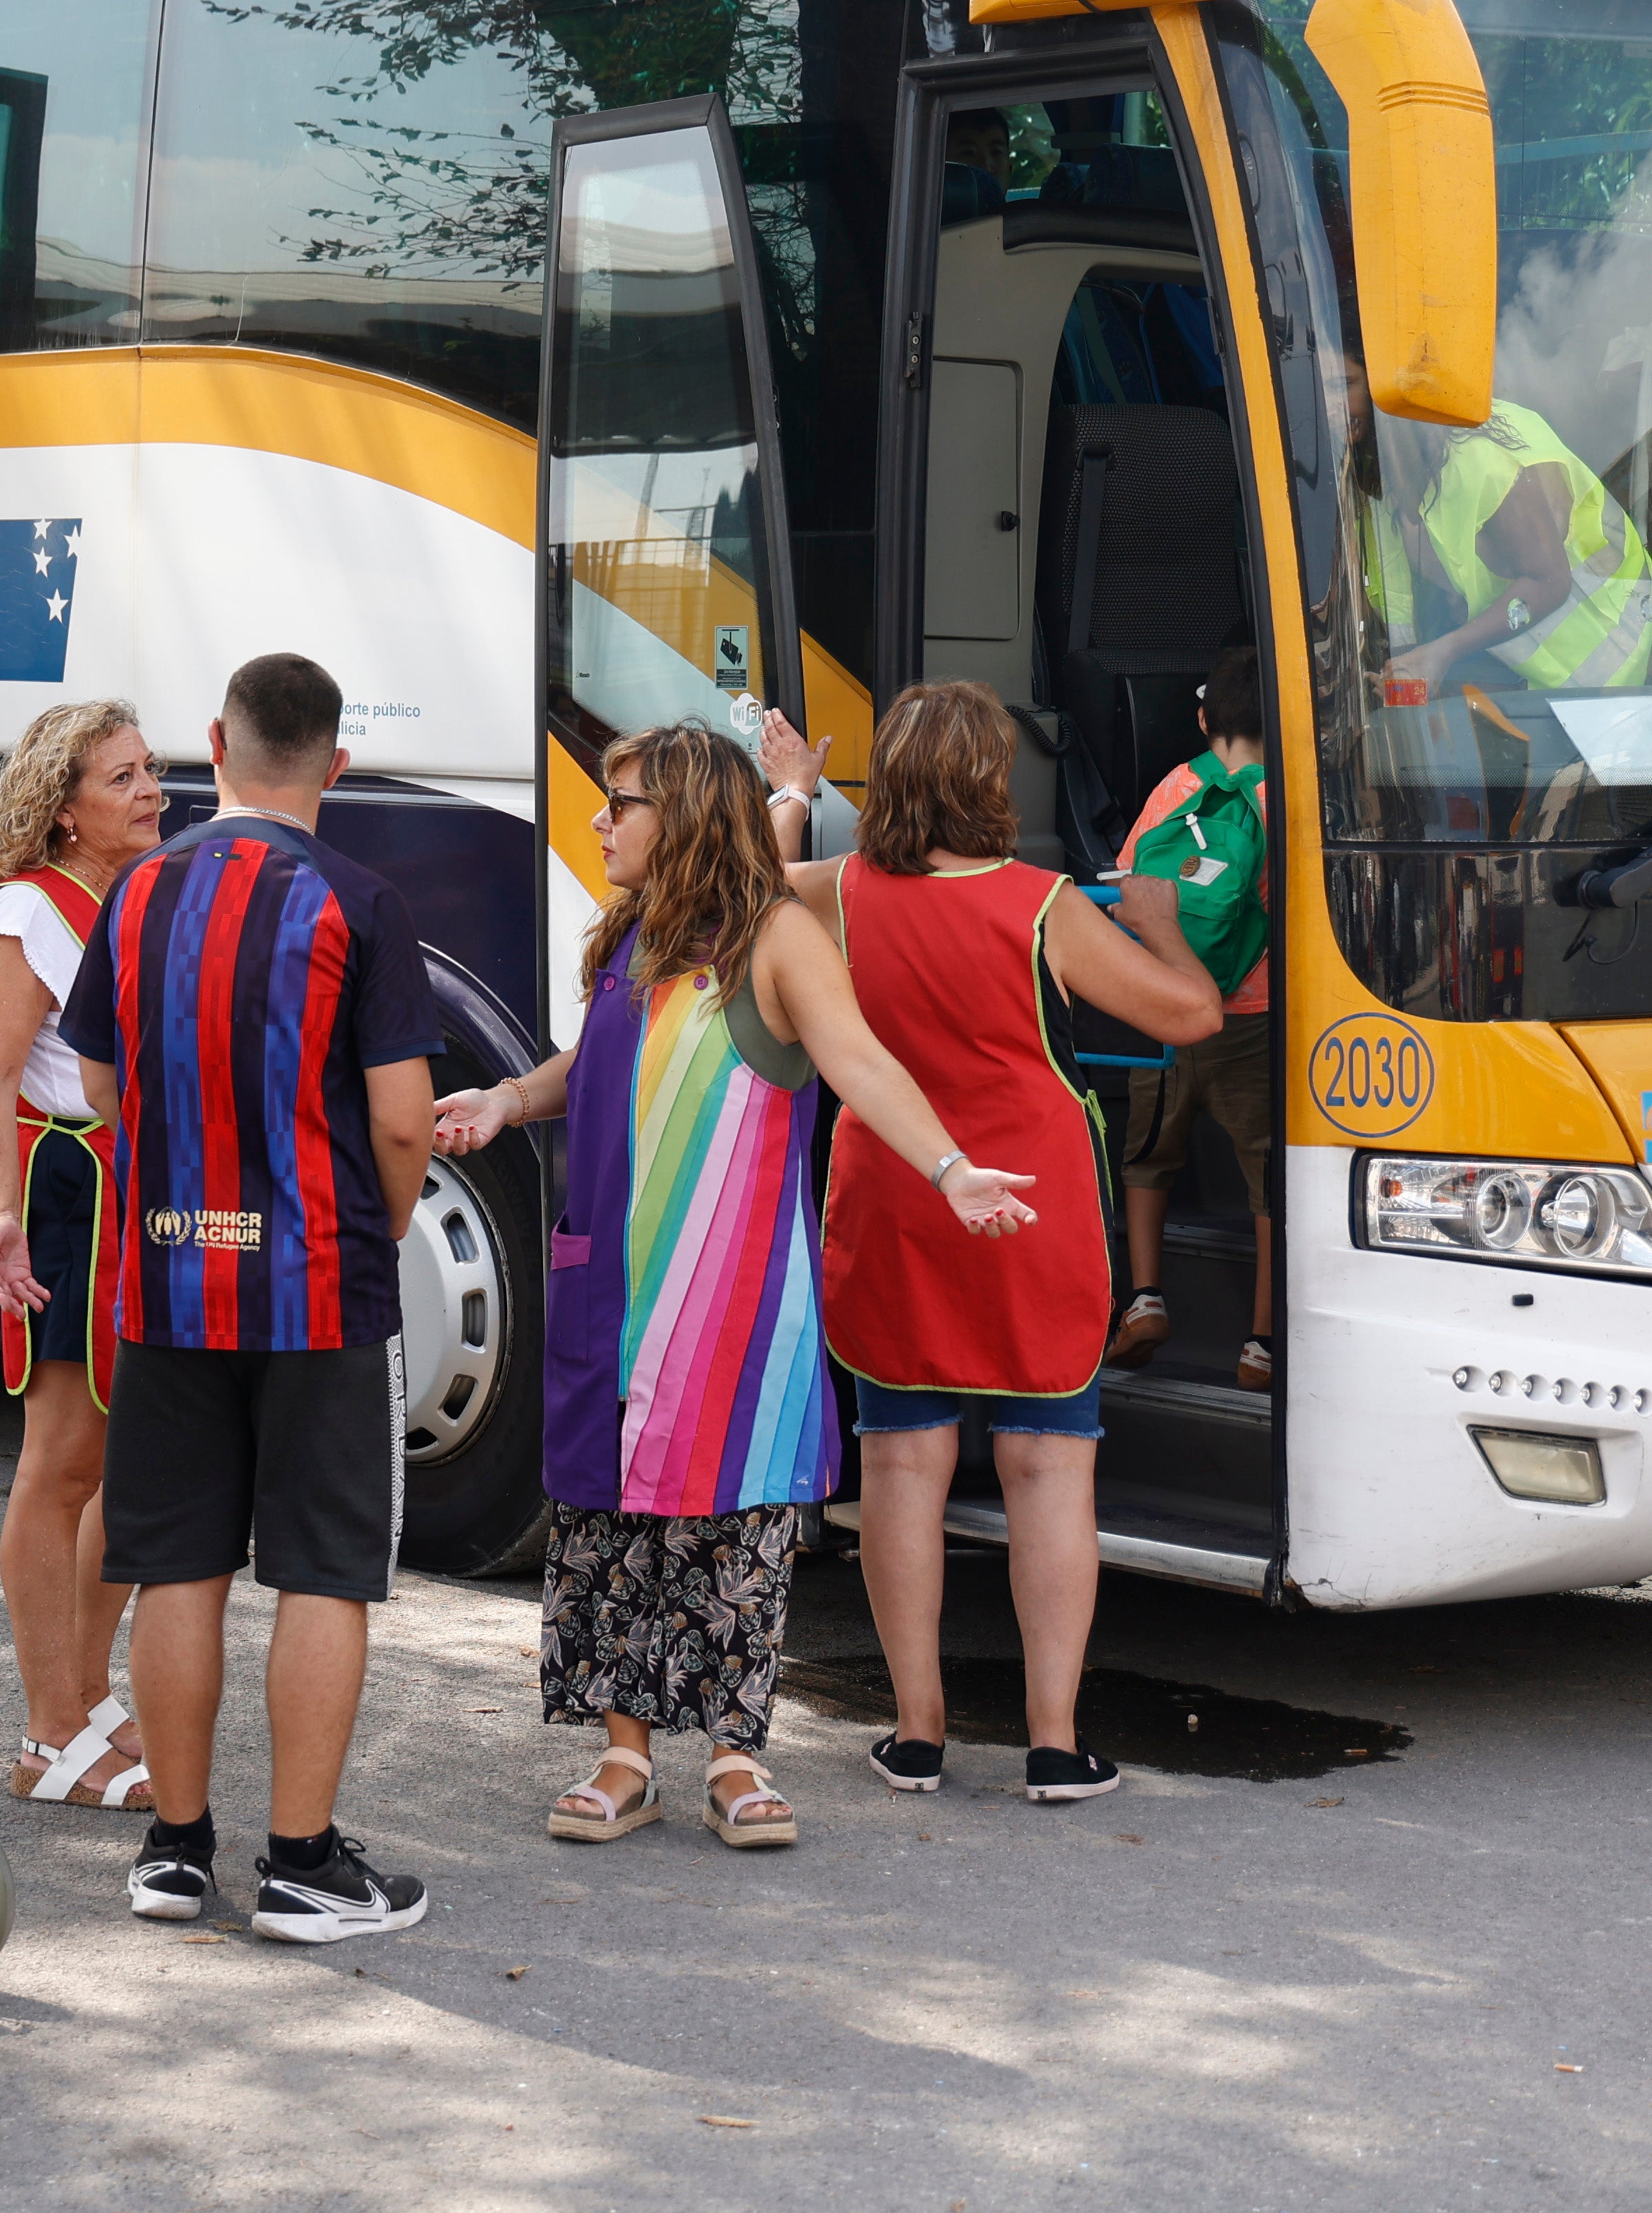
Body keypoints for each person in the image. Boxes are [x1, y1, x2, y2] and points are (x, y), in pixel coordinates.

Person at [432, 722, 1030, 1851]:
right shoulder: (628, 932)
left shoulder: (775, 938)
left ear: (691, 811)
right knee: (606, 1527)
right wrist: (512, 1097)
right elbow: (596, 1060)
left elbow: (856, 1059)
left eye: (622, 802)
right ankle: (624, 1756)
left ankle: (733, 1755)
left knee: (733, 1530)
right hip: (613, 1295)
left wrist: (949, 1168)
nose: (602, 821)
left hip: (736, 1308)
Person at [759, 681, 1219, 1804]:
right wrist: (1157, 923)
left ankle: (916, 1733)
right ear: (988, 779)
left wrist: (790, 794)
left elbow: (746, 893)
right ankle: (1053, 1741)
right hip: (1030, 1206)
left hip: (893, 1202)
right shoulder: (1045, 905)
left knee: (901, 1465)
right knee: (1048, 1467)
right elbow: (1187, 1016)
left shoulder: (842, 893)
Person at [58, 653, 438, 1943]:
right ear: (336, 763)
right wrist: (379, 1228)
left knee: (178, 1564)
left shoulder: (137, 893)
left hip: (165, 1279)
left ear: (213, 744)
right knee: (322, 1571)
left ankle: (174, 1849)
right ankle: (299, 1864)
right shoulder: (362, 901)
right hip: (317, 1286)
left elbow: (100, 1086)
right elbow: (399, 1118)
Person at [0, 700, 168, 1809]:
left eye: (150, 769)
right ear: (64, 809)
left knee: (136, 1466)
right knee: (64, 1464)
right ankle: (50, 1732)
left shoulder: (141, 893)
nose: (149, 790)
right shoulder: (25, 915)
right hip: (67, 1192)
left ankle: (86, 1703)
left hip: (142, 1190)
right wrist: (2, 1211)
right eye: (121, 777)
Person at [1103, 647, 1278, 1388]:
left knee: (1146, 1158)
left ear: (1204, 719)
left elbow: (1129, 883)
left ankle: (1144, 1298)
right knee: (1269, 1182)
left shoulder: (1177, 787)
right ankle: (1262, 1341)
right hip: (1256, 1016)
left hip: (1168, 1013)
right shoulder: (1287, 797)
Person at [1327, 347, 1652, 697]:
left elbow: (1549, 580)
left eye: (1344, 384)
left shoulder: (1484, 460)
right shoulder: (1392, 462)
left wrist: (1443, 653)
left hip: (1610, 663)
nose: (1330, 405)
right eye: (1321, 388)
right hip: (1534, 670)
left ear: (1388, 383)